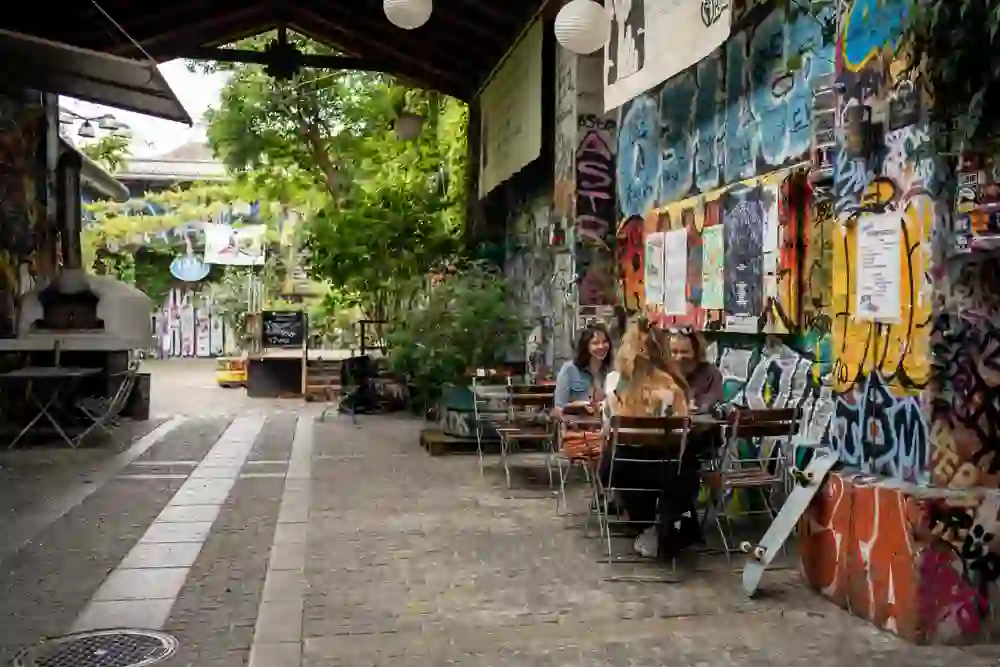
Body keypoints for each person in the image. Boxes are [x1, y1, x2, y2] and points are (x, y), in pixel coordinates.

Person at [599, 317, 700, 558]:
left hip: (619, 471)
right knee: (686, 463)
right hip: (665, 474)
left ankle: (645, 525)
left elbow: (606, 431)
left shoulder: (614, 384)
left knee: (629, 458)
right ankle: (668, 523)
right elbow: (683, 432)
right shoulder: (673, 388)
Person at [553, 325, 613, 460]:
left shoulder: (612, 371)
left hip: (608, 432)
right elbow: (558, 410)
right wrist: (577, 408)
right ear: (585, 346)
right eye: (595, 343)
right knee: (610, 451)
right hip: (578, 434)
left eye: (605, 342)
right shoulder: (569, 369)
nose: (601, 346)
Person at [669, 329, 724, 412]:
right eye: (674, 352)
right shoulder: (661, 373)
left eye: (684, 352)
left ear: (696, 353)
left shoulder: (711, 374)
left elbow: (713, 403)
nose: (679, 357)